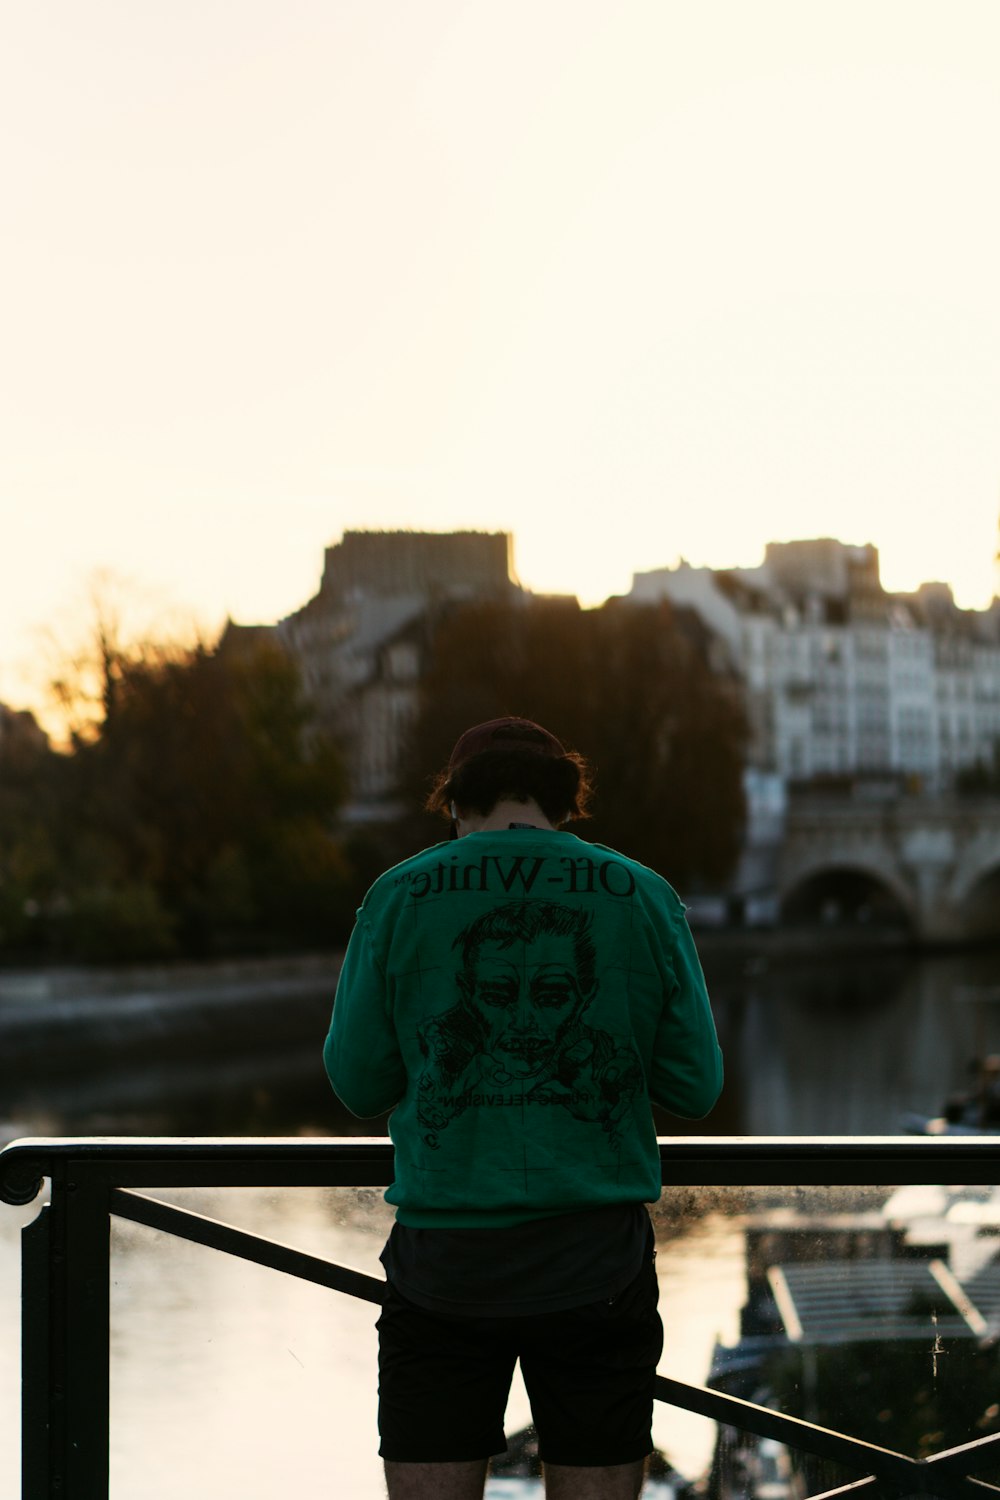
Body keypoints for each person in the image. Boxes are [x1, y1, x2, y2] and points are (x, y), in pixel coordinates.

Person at [324, 716, 723, 1500]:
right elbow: (696, 1087)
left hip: (443, 1269)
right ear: (565, 805)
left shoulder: (399, 894)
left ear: (455, 804)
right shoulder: (641, 894)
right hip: (595, 1266)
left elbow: (358, 1084)